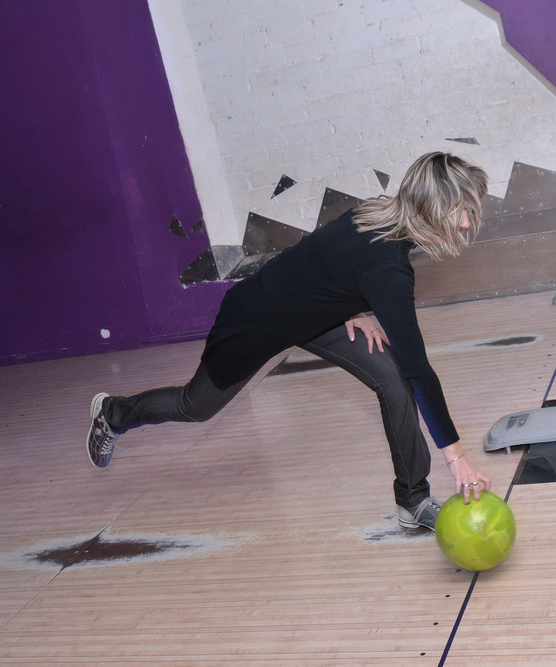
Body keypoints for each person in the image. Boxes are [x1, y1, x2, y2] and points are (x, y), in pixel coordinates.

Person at [86, 151, 493, 530]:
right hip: (256, 320)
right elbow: (421, 368)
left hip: (315, 317)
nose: (465, 224)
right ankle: (114, 412)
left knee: (392, 377)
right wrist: (455, 457)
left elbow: (321, 262)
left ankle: (413, 500)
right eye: (462, 212)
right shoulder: (386, 263)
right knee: (195, 406)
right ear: (434, 208)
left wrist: (350, 308)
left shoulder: (379, 216)